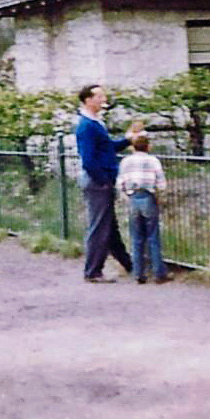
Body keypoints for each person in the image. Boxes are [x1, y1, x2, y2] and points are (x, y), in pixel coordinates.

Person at [75, 84, 141, 283]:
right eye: (99, 96)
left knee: (108, 226)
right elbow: (89, 159)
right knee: (99, 227)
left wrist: (127, 140)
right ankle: (93, 271)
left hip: (101, 180)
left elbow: (107, 148)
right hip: (98, 182)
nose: (104, 99)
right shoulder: (87, 125)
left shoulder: (94, 123)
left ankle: (129, 264)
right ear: (88, 100)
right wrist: (103, 180)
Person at [117, 134, 170, 285]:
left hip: (133, 198)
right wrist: (160, 194)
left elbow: (120, 182)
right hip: (148, 196)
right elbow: (161, 183)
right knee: (153, 236)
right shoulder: (153, 161)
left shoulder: (125, 162)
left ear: (133, 147)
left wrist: (126, 195)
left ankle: (138, 273)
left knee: (137, 237)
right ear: (148, 146)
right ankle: (159, 272)